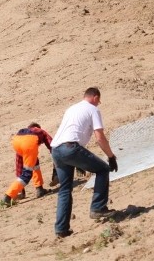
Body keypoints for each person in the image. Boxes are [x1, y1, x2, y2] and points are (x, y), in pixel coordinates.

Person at [50, 87, 118, 238]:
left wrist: (77, 161)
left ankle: (61, 229)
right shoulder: (93, 109)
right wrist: (111, 157)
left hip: (56, 149)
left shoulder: (72, 108)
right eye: (98, 100)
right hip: (70, 148)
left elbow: (71, 130)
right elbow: (99, 137)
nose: (98, 103)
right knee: (102, 170)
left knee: (65, 190)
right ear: (94, 97)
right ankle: (98, 208)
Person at [2, 122, 52, 206]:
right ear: (37, 127)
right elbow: (53, 145)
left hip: (16, 140)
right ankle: (8, 196)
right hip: (29, 143)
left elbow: (19, 165)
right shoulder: (40, 131)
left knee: (34, 162)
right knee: (27, 174)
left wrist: (22, 190)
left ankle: (39, 188)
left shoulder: (24, 132)